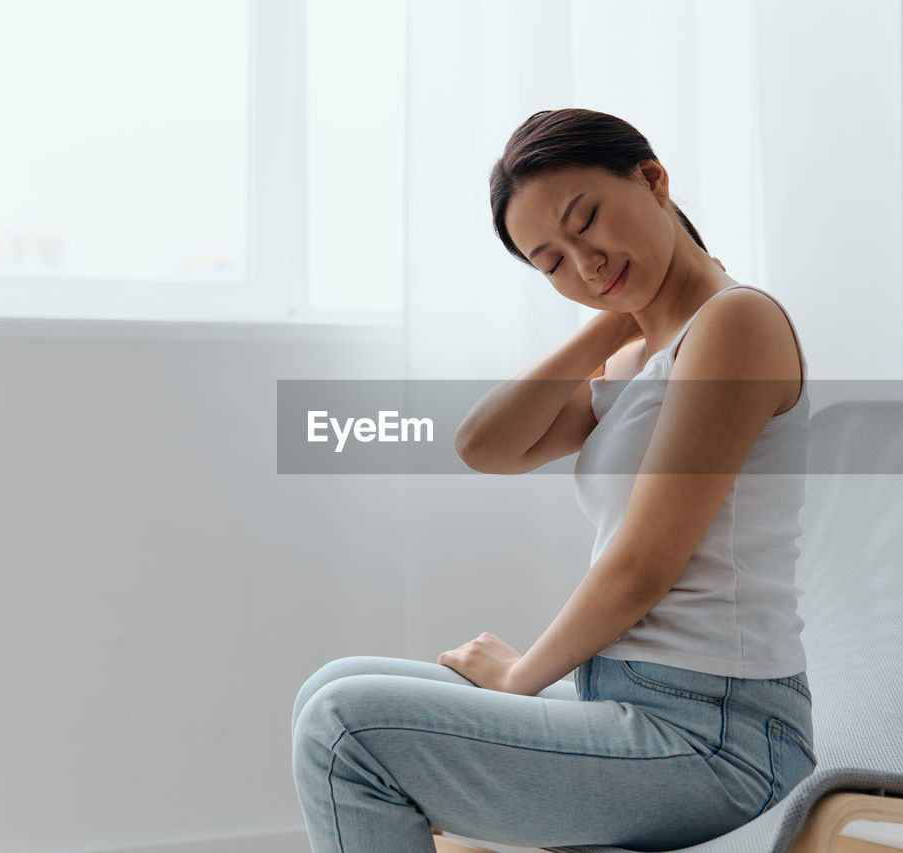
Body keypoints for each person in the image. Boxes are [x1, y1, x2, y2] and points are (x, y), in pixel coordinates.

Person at [291, 108, 817, 852]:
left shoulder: (737, 323)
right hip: (634, 700)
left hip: (720, 734)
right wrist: (617, 319)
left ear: (653, 179)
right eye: (553, 262)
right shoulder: (638, 356)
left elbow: (641, 568)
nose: (587, 264)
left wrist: (520, 677)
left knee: (344, 728)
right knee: (330, 687)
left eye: (588, 220)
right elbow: (484, 444)